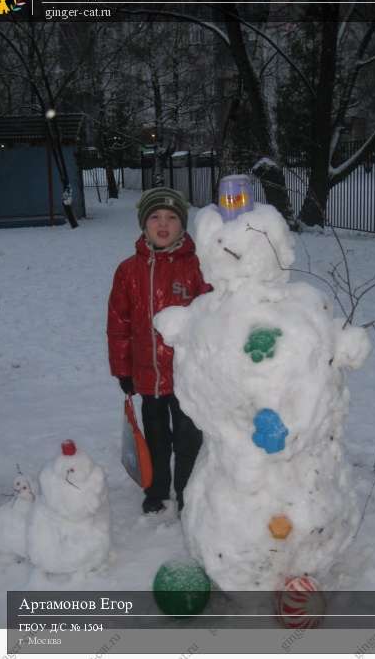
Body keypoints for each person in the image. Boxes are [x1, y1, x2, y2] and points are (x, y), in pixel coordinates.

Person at [107, 187, 211, 515]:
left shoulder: (199, 266)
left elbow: (215, 318)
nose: (163, 224)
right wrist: (122, 369)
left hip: (188, 374)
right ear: (143, 224)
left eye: (171, 218)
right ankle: (155, 489)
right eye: (155, 217)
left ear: (183, 224)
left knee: (188, 437)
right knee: (155, 436)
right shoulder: (129, 271)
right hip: (148, 374)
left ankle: (186, 493)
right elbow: (118, 323)